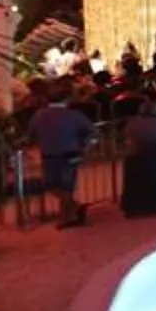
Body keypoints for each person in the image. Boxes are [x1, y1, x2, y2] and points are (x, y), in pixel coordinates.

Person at [27, 89, 97, 228]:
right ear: (67, 99)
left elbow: (31, 133)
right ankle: (69, 211)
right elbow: (93, 132)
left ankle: (66, 214)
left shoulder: (39, 115)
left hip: (48, 154)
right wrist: (86, 146)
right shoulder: (74, 115)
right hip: (71, 152)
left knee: (51, 184)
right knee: (66, 185)